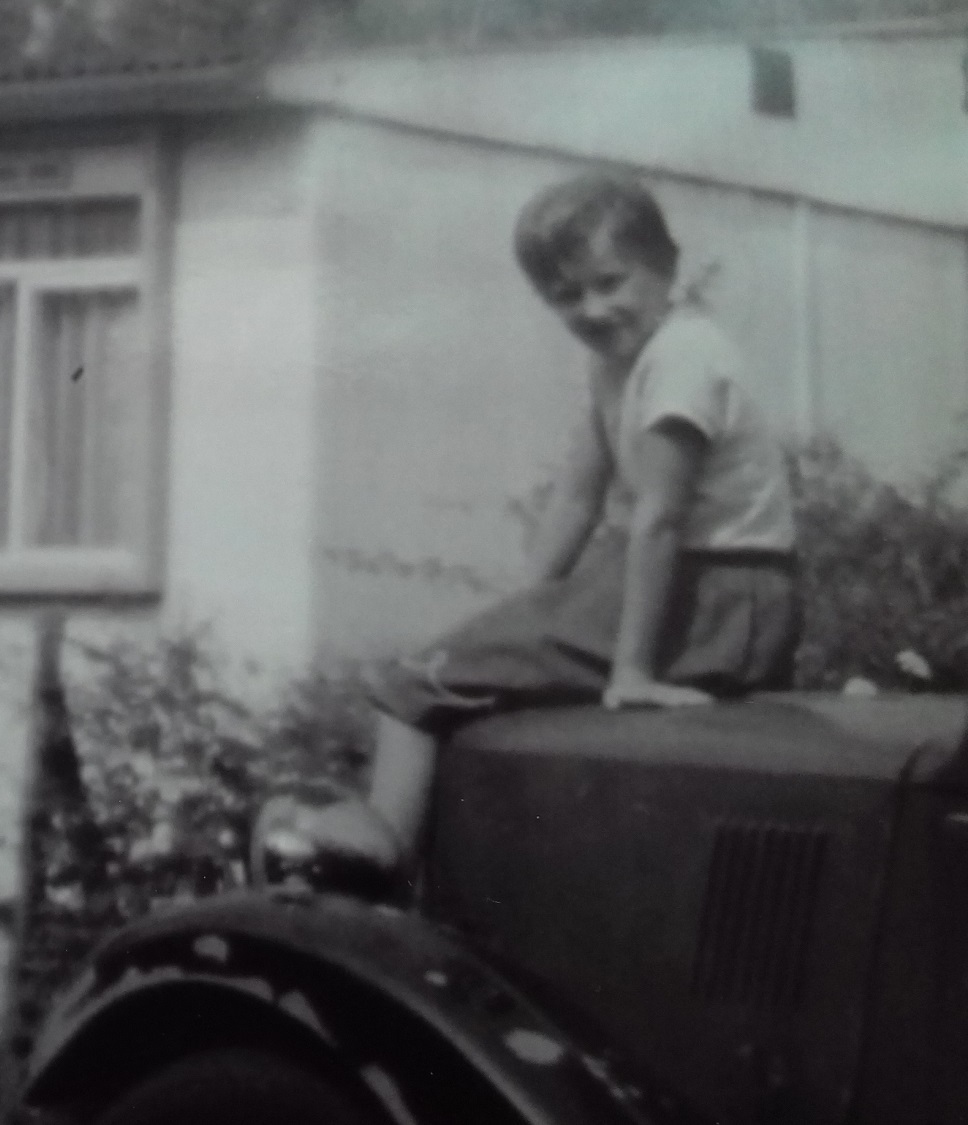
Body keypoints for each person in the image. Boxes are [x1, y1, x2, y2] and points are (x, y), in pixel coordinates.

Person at [295, 174, 800, 883]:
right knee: (473, 669)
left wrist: (632, 671)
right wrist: (522, 609)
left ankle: (383, 869)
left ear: (668, 267)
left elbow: (662, 516)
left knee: (412, 687)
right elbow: (576, 495)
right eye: (567, 295)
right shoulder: (614, 364)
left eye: (609, 281)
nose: (592, 308)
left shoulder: (687, 356)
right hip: (679, 581)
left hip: (717, 591)